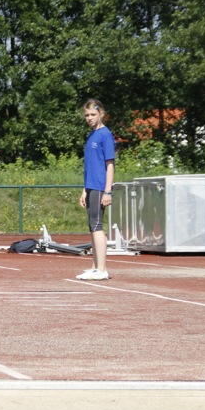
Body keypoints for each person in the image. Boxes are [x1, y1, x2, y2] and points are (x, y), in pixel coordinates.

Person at [77, 99, 116, 280]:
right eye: (87, 115)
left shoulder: (105, 135)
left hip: (100, 186)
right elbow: (89, 166)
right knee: (92, 226)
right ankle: (94, 266)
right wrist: (85, 190)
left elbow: (109, 164)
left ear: (101, 114)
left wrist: (107, 191)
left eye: (93, 114)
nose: (89, 118)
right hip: (91, 186)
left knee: (97, 225)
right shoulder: (91, 135)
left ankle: (102, 269)